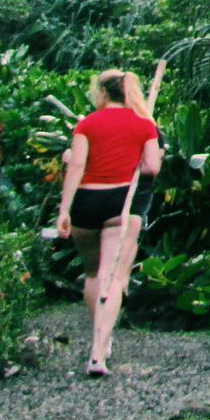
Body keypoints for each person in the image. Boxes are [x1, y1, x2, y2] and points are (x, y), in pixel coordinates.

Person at [56, 69, 162, 376]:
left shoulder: (86, 123)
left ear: (102, 93)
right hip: (121, 202)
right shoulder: (145, 124)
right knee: (113, 276)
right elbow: (152, 167)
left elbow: (76, 165)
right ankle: (98, 353)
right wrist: (137, 158)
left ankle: (98, 340)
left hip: (87, 201)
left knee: (92, 273)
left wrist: (64, 210)